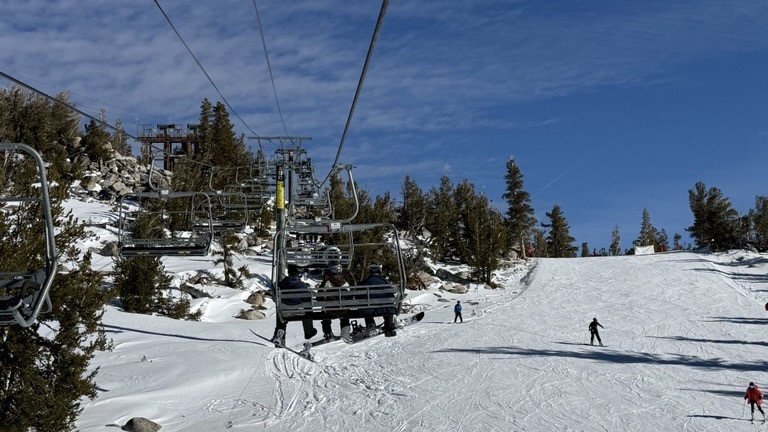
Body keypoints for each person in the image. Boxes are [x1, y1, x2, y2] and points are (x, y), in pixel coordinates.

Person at [271, 264, 317, 346]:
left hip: (285, 311)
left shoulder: (282, 283)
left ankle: (279, 333)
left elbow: (276, 295)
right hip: (300, 312)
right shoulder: (301, 285)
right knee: (307, 308)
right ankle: (308, 331)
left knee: (281, 314)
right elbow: (308, 296)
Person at [362, 263, 397, 337]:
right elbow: (391, 296)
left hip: (370, 310)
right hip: (385, 309)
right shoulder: (384, 281)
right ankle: (389, 327)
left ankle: (371, 326)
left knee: (365, 306)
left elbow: (360, 296)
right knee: (388, 306)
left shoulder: (366, 282)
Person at [319, 263, 352, 341]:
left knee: (324, 312)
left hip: (329, 310)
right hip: (343, 310)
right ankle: (345, 333)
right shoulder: (345, 283)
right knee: (345, 314)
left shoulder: (326, 282)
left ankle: (328, 334)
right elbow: (350, 297)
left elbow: (319, 297)